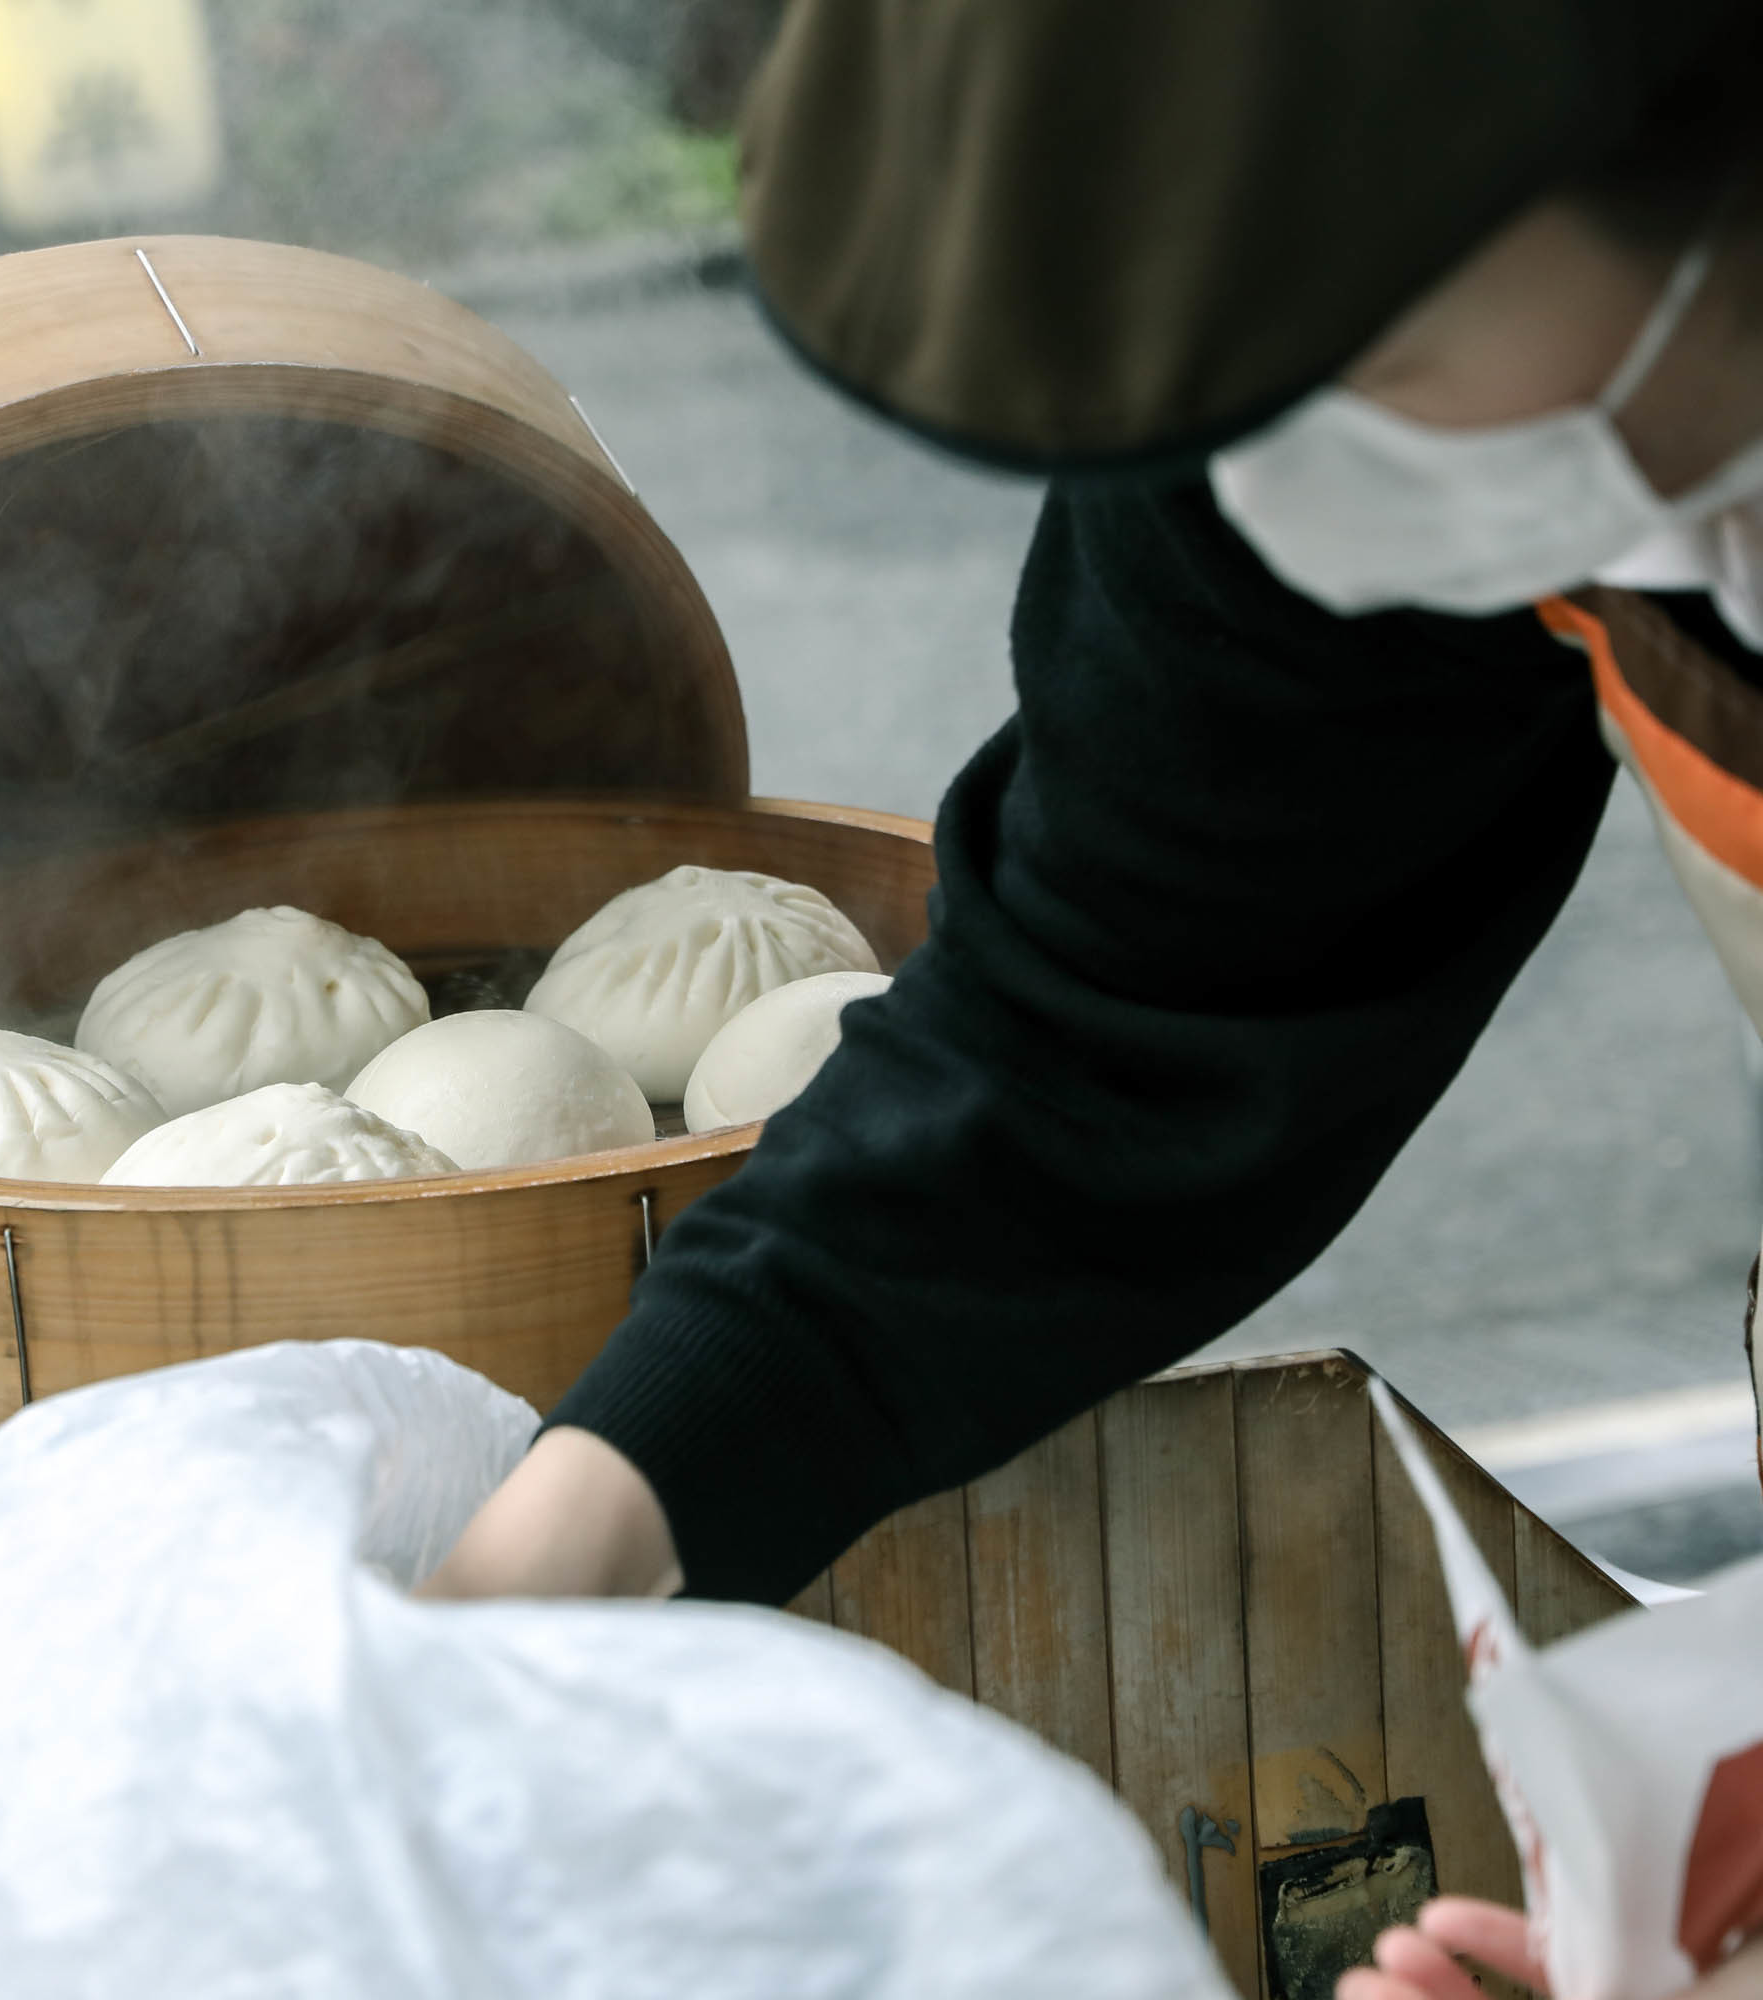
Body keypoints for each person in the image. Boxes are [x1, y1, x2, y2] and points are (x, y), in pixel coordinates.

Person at [418, 0, 1763, 1990]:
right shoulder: (1393, 398)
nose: (1281, 492)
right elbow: (1123, 997)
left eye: (1353, 369)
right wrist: (586, 1524)